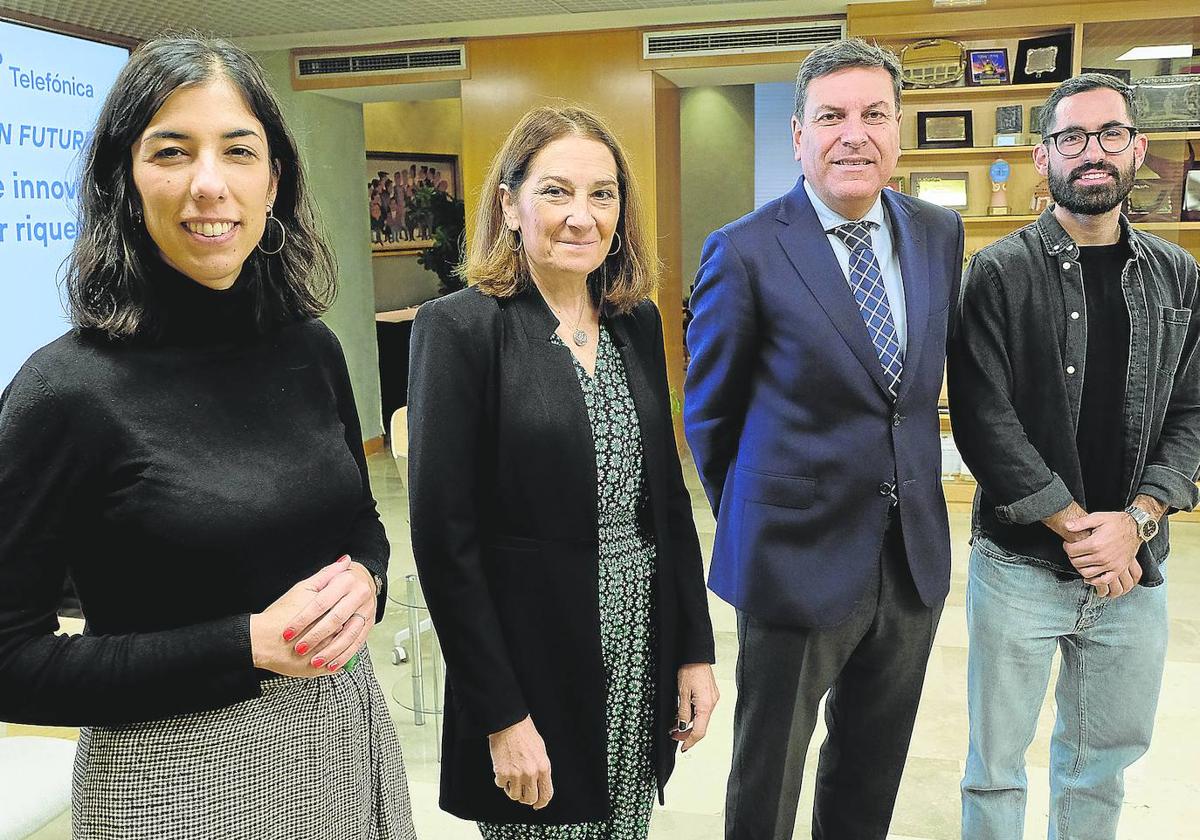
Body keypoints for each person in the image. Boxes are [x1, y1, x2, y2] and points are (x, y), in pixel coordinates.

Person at [0, 36, 416, 839]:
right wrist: (246, 645)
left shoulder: (309, 348)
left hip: (345, 743)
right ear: (123, 180)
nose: (208, 185)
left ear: (275, 179)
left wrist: (366, 577)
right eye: (171, 151)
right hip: (173, 783)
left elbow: (358, 521)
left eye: (238, 150)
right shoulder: (67, 390)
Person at [407, 104, 718, 839]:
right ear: (509, 205)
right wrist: (501, 714)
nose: (582, 216)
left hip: (638, 642)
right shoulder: (460, 329)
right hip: (533, 662)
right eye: (556, 191)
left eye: (602, 194)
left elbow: (667, 505)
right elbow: (445, 545)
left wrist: (693, 653)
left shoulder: (633, 321)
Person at [685, 38, 964, 840]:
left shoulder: (937, 234)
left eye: (874, 114)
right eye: (831, 116)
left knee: (871, 767)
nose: (855, 134)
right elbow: (710, 418)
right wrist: (764, 514)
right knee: (769, 774)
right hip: (793, 558)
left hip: (910, 557)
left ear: (898, 130)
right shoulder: (744, 250)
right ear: (799, 137)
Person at [950, 73, 1200, 840]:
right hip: (1021, 565)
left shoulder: (1177, 276)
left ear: (1138, 149)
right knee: (996, 768)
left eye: (1110, 135)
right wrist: (1077, 525)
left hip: (1134, 571)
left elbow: (1192, 414)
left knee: (1101, 765)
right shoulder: (997, 273)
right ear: (1043, 155)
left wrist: (1138, 519)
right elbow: (982, 418)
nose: (1091, 153)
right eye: (1071, 138)